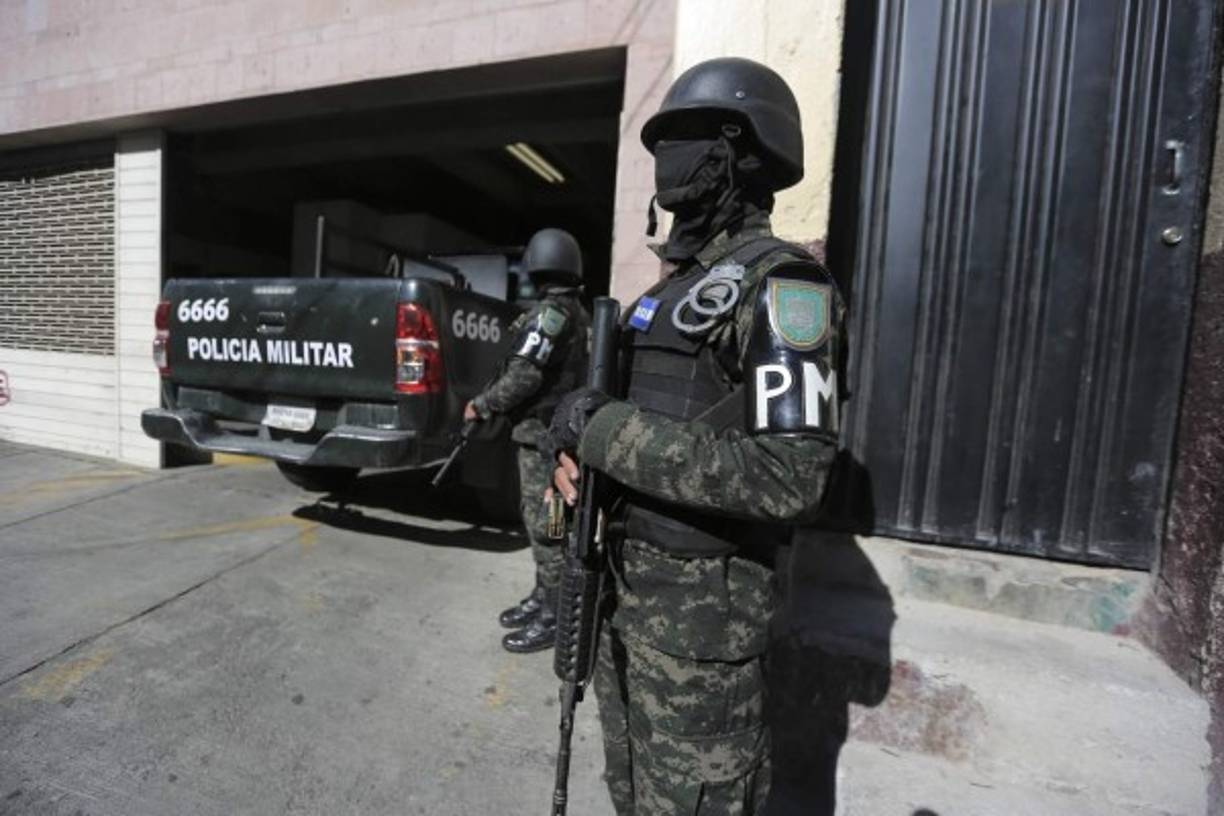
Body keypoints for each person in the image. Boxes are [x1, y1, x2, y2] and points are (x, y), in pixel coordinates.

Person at [543, 57, 844, 813]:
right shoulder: (668, 294)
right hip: (619, 598)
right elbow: (620, 416)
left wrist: (601, 430)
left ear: (743, 151)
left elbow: (791, 477)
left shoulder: (784, 286)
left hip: (702, 641)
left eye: (690, 138)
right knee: (628, 795)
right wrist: (569, 450)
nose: (667, 158)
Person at [466, 227, 591, 654]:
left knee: (548, 528)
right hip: (554, 440)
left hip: (544, 442)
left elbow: (525, 375)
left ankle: (554, 616)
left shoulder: (551, 314)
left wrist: (482, 404)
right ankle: (543, 597)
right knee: (547, 525)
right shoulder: (575, 312)